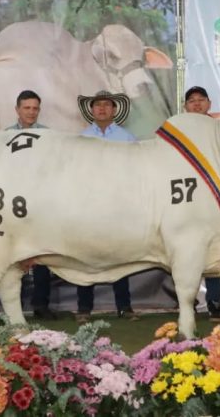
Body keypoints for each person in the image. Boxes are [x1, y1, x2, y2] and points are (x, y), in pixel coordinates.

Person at [76, 90, 138, 322]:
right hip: (89, 203)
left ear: (114, 110)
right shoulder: (81, 138)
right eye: (97, 105)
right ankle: (84, 308)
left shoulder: (127, 138)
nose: (101, 108)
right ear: (91, 110)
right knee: (86, 254)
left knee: (119, 255)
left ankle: (124, 306)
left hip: (118, 204)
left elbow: (135, 172)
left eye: (106, 105)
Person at [6, 90, 56, 320]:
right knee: (11, 254)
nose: (31, 112)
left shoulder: (49, 135)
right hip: (12, 203)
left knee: (42, 254)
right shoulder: (4, 136)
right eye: (26, 108)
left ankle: (41, 305)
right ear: (17, 110)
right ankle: (11, 306)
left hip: (41, 203)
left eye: (35, 108)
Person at [182, 86, 220, 322]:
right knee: (184, 251)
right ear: (185, 106)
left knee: (213, 249)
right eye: (191, 101)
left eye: (201, 100)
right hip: (184, 199)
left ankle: (215, 303)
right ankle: (185, 302)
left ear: (209, 103)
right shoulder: (177, 130)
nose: (196, 104)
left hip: (214, 199)